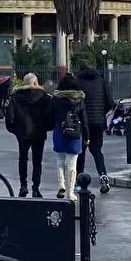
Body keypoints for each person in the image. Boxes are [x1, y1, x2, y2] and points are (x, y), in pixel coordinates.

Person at [5, 72, 53, 198]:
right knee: (37, 161)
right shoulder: (44, 97)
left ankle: (23, 185)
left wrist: (14, 130)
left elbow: (10, 116)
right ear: (36, 83)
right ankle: (36, 188)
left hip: (22, 132)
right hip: (39, 132)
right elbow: (49, 115)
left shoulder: (16, 97)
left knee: (23, 159)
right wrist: (47, 127)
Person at [76, 62, 114, 194]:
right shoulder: (101, 81)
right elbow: (110, 102)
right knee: (97, 150)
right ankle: (103, 174)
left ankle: (79, 181)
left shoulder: (78, 82)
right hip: (98, 121)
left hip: (83, 122)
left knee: (81, 152)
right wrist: (101, 114)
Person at [51, 73, 89, 202]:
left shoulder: (56, 99)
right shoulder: (80, 100)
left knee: (60, 160)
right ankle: (70, 191)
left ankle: (61, 185)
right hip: (75, 133)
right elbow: (84, 119)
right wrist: (86, 136)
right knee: (72, 164)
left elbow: (50, 115)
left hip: (59, 131)